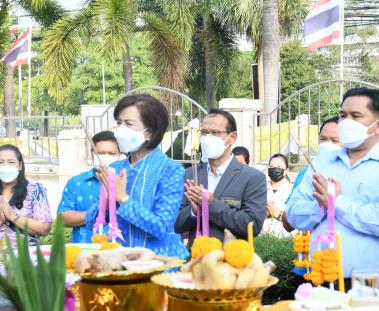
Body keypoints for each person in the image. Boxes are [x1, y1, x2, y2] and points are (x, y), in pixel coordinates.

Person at [285, 88, 379, 288]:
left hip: (373, 281)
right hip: (321, 276)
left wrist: (338, 202)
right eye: (342, 115)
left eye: (356, 116)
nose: (346, 122)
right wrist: (320, 207)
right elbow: (293, 215)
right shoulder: (321, 163)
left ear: (378, 125)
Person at [95, 94, 188, 259]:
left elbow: (161, 226)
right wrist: (106, 198)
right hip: (119, 262)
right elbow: (93, 220)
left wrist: (123, 198)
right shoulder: (114, 169)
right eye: (118, 123)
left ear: (149, 133)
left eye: (128, 124)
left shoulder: (170, 169)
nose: (120, 130)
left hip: (159, 263)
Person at [175, 109, 267, 246]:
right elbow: (177, 225)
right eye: (204, 133)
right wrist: (193, 211)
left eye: (215, 133)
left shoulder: (253, 178)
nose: (207, 138)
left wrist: (211, 205)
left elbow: (253, 226)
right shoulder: (190, 175)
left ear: (232, 137)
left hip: (232, 262)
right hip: (196, 261)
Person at [58, 131, 121, 243]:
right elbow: (63, 218)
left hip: (118, 252)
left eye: (111, 153)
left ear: (119, 155)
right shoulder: (76, 182)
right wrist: (95, 211)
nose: (106, 157)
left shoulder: (125, 182)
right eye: (101, 153)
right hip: (84, 252)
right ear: (92, 154)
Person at [282, 117, 341, 232]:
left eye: (335, 140)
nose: (328, 145)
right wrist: (320, 205)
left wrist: (338, 203)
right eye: (323, 139)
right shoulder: (311, 171)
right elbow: (288, 219)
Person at [0, 144, 51, 248]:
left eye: (11, 162)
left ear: (20, 165)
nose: (5, 166)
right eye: (1, 162)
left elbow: (45, 228)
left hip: (27, 260)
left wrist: (12, 216)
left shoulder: (35, 190)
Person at [263, 153, 293, 236]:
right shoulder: (260, 187)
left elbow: (296, 219)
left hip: (285, 238)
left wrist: (278, 214)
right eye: (271, 166)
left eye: (279, 167)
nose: (275, 169)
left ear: (286, 170)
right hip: (261, 236)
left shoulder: (293, 190)